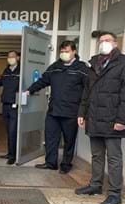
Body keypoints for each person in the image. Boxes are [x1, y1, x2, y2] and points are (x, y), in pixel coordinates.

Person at [75, 31, 125, 204]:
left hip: (113, 119)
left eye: (107, 40)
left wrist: (122, 119)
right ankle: (95, 185)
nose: (103, 43)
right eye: (101, 41)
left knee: (114, 157)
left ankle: (114, 193)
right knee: (96, 154)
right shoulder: (94, 63)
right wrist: (82, 113)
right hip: (94, 117)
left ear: (116, 43)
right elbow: (87, 92)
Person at [26, 41, 89, 174]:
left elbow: (88, 90)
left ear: (74, 52)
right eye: (62, 51)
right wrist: (29, 90)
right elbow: (43, 80)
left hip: (71, 111)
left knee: (69, 140)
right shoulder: (55, 66)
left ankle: (66, 164)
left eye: (66, 51)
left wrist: (83, 112)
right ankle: (51, 163)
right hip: (54, 110)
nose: (64, 54)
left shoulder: (82, 69)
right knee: (50, 138)